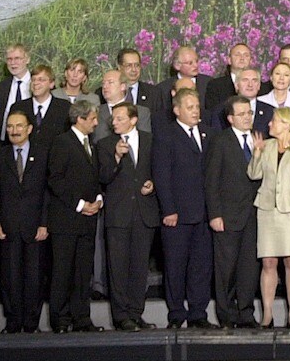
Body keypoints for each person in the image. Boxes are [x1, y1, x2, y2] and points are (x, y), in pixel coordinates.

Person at [154, 88, 219, 329]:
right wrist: (168, 210)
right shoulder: (166, 135)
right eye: (190, 107)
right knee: (175, 266)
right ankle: (176, 315)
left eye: (197, 106)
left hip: (203, 214)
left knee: (201, 267)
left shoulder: (209, 134)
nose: (196, 111)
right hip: (177, 216)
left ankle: (198, 314)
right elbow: (162, 175)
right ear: (177, 110)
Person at [96, 102, 159, 331]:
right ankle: (121, 316)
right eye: (113, 119)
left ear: (133, 120)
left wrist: (152, 185)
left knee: (139, 268)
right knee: (118, 268)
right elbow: (103, 177)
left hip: (144, 213)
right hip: (118, 215)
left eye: (120, 118)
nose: (114, 122)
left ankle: (136, 312)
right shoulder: (104, 145)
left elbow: (157, 170)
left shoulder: (150, 140)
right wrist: (115, 157)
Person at [249, 106, 290, 329]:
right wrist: (256, 153)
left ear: (287, 124)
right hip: (268, 209)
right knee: (268, 262)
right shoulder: (266, 146)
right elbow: (254, 174)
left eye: (274, 121)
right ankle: (267, 314)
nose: (269, 124)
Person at [46, 100, 105, 333]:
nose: (96, 123)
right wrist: (81, 205)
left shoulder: (91, 144)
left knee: (83, 273)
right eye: (92, 119)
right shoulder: (62, 143)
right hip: (66, 221)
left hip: (87, 221)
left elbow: (94, 178)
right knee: (63, 272)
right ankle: (60, 319)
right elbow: (56, 180)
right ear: (79, 119)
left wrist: (99, 200)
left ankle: (82, 318)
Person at [205, 97, 264, 329]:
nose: (247, 117)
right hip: (227, 216)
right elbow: (211, 181)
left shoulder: (258, 139)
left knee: (249, 267)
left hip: (255, 214)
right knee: (226, 268)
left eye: (249, 113)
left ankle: (246, 312)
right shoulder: (220, 141)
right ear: (230, 118)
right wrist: (214, 214)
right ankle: (226, 314)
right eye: (242, 114)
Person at [0, 109, 50, 333]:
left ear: (29, 129)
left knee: (34, 277)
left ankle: (31, 323)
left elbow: (47, 192)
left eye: (19, 126)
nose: (14, 131)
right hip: (8, 227)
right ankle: (13, 321)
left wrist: (44, 223)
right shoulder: (0, 155)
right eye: (10, 126)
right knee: (10, 277)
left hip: (35, 227)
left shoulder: (43, 153)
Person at [12, 64, 72, 138]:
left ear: (51, 84)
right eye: (33, 79)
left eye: (41, 80)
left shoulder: (65, 107)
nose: (36, 83)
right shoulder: (18, 107)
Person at [0, 43, 32, 140]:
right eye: (9, 59)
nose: (13, 63)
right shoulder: (0, 88)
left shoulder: (38, 85)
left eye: (17, 58)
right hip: (5, 144)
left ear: (27, 59)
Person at [205, 42, 253, 114]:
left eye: (246, 55)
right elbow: (212, 112)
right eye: (237, 55)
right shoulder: (216, 85)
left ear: (251, 61)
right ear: (229, 60)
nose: (242, 58)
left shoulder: (260, 87)